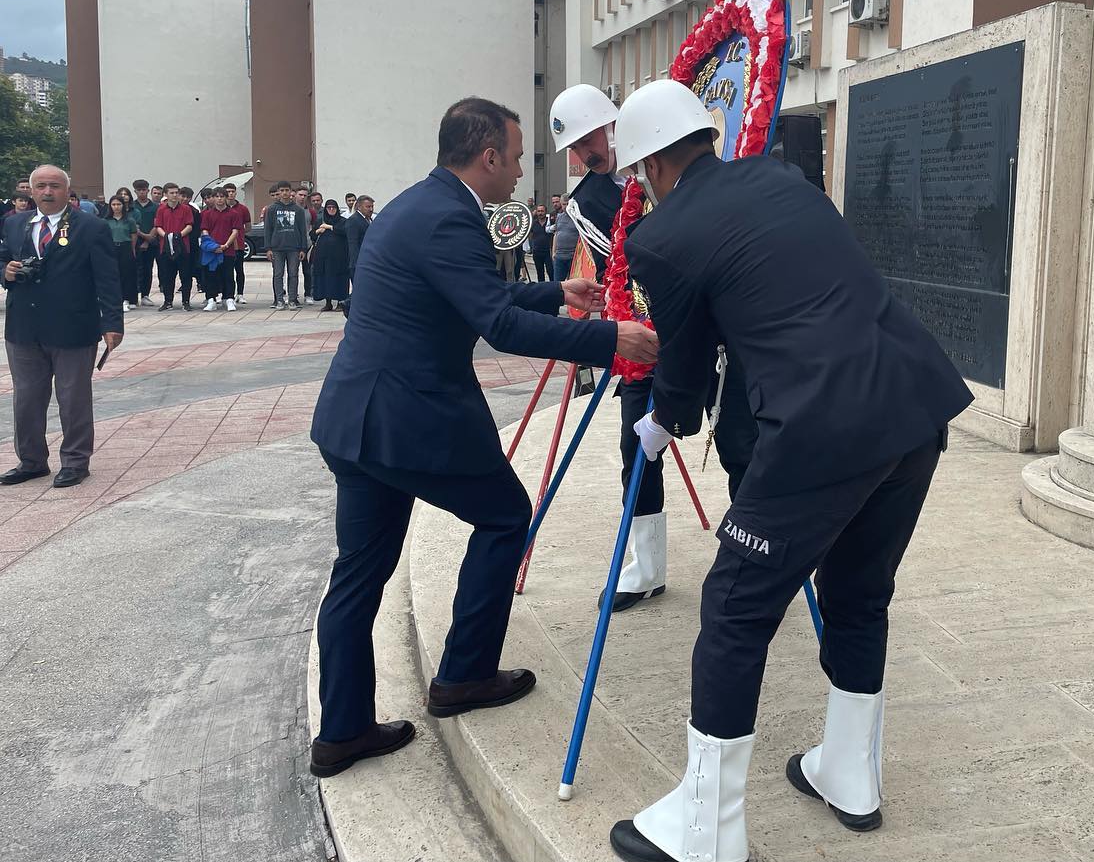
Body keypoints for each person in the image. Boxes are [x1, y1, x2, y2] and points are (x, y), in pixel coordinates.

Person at [606, 81, 973, 862]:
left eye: (640, 174)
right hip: (912, 402)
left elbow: (684, 363)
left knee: (734, 605)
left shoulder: (660, 236)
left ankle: (706, 831)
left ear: (653, 166)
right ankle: (850, 774)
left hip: (822, 427)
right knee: (859, 591)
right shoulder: (780, 177)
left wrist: (661, 422)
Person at [307, 96, 659, 778]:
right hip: (407, 421)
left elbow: (469, 298)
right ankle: (464, 674)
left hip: (355, 420)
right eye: (518, 157)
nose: (523, 171)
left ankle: (341, 732)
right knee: (504, 516)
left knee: (357, 576)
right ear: (489, 156)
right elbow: (498, 325)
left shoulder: (418, 205)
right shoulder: (450, 218)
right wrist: (610, 337)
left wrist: (557, 293)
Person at [549, 82, 670, 611]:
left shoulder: (664, 152)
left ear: (610, 124)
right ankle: (646, 568)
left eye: (587, 140)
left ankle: (766, 557)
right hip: (641, 336)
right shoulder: (586, 201)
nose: (583, 155)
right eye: (575, 148)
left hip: (704, 324)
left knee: (740, 441)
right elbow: (619, 264)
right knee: (636, 448)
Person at [0, 164, 123, 489]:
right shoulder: (14, 223)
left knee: (73, 398)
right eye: (40, 186)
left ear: (67, 190)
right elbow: (2, 258)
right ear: (30, 190)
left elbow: (108, 279)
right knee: (26, 398)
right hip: (24, 328)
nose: (47, 192)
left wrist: (113, 323)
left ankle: (75, 461)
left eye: (54, 186)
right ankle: (31, 461)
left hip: (73, 327)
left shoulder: (91, 227)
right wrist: (6, 272)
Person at [265, 181, 310, 309]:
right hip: (277, 247)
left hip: (294, 248)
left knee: (293, 274)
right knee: (278, 274)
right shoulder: (272, 209)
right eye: (282, 190)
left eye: (287, 190)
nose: (284, 193)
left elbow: (302, 230)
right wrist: (268, 248)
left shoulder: (298, 210)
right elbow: (268, 229)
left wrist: (303, 248)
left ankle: (292, 300)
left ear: (291, 192)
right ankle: (279, 300)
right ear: (278, 192)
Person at [200, 189, 245, 311]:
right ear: (213, 198)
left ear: (226, 198)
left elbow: (235, 231)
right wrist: (212, 246)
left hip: (228, 250)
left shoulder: (234, 214)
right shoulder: (207, 214)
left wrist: (226, 245)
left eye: (222, 196)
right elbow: (204, 230)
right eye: (217, 196)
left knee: (228, 275)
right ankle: (211, 300)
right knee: (210, 275)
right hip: (211, 251)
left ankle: (228, 298)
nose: (219, 199)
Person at [153, 183, 194, 311]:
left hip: (183, 246)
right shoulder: (161, 209)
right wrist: (166, 236)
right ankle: (168, 301)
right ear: (166, 194)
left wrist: (178, 236)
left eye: (176, 192)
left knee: (186, 275)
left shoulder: (186, 209)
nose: (175, 195)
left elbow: (189, 225)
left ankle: (186, 302)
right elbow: (158, 226)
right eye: (172, 193)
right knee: (167, 276)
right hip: (166, 247)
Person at [309, 199, 349, 311]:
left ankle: (340, 302)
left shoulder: (343, 221)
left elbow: (345, 231)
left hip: (339, 256)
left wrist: (330, 227)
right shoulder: (320, 220)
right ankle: (328, 303)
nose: (331, 210)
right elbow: (312, 235)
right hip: (323, 256)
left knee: (339, 278)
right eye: (329, 208)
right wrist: (318, 231)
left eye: (333, 207)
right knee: (325, 278)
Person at [101, 196, 139, 312]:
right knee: (112, 274)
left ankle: (126, 299)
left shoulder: (129, 220)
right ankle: (114, 299)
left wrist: (132, 249)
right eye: (114, 205)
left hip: (125, 247)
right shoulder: (105, 221)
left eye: (119, 204)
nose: (116, 207)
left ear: (123, 205)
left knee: (126, 274)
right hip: (111, 247)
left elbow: (133, 235)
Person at [131, 178, 159, 306]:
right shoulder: (132, 207)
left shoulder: (155, 207)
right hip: (134, 242)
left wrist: (148, 240)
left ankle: (145, 295)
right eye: (139, 190)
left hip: (151, 242)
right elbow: (133, 227)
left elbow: (157, 224)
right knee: (135, 269)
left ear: (148, 190)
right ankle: (133, 295)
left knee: (148, 269)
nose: (142, 192)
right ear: (135, 191)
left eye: (144, 190)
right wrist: (141, 236)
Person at [224, 183, 251, 305]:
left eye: (232, 191)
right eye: (228, 191)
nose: (230, 194)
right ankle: (225, 294)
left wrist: (239, 233)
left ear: (236, 192)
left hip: (238, 245)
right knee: (226, 272)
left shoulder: (243, 209)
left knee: (239, 270)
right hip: (224, 244)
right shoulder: (221, 208)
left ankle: (240, 294)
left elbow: (248, 227)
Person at [344, 195, 374, 284]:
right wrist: (356, 264)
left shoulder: (369, 219)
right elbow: (353, 244)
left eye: (372, 206)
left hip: (369, 261)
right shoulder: (353, 221)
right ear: (359, 207)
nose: (371, 209)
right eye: (368, 207)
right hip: (359, 264)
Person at [552, 192, 577, 281]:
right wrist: (553, 252)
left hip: (573, 256)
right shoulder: (559, 217)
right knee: (557, 283)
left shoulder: (578, 218)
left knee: (573, 283)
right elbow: (556, 234)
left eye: (567, 204)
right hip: (559, 256)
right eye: (563, 204)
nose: (565, 206)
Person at [528, 204, 554, 281]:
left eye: (542, 211)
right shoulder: (533, 223)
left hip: (548, 252)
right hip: (537, 251)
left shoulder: (550, 222)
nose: (540, 213)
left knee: (551, 271)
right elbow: (530, 234)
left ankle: (552, 287)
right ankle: (542, 287)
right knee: (540, 273)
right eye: (538, 211)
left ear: (546, 211)